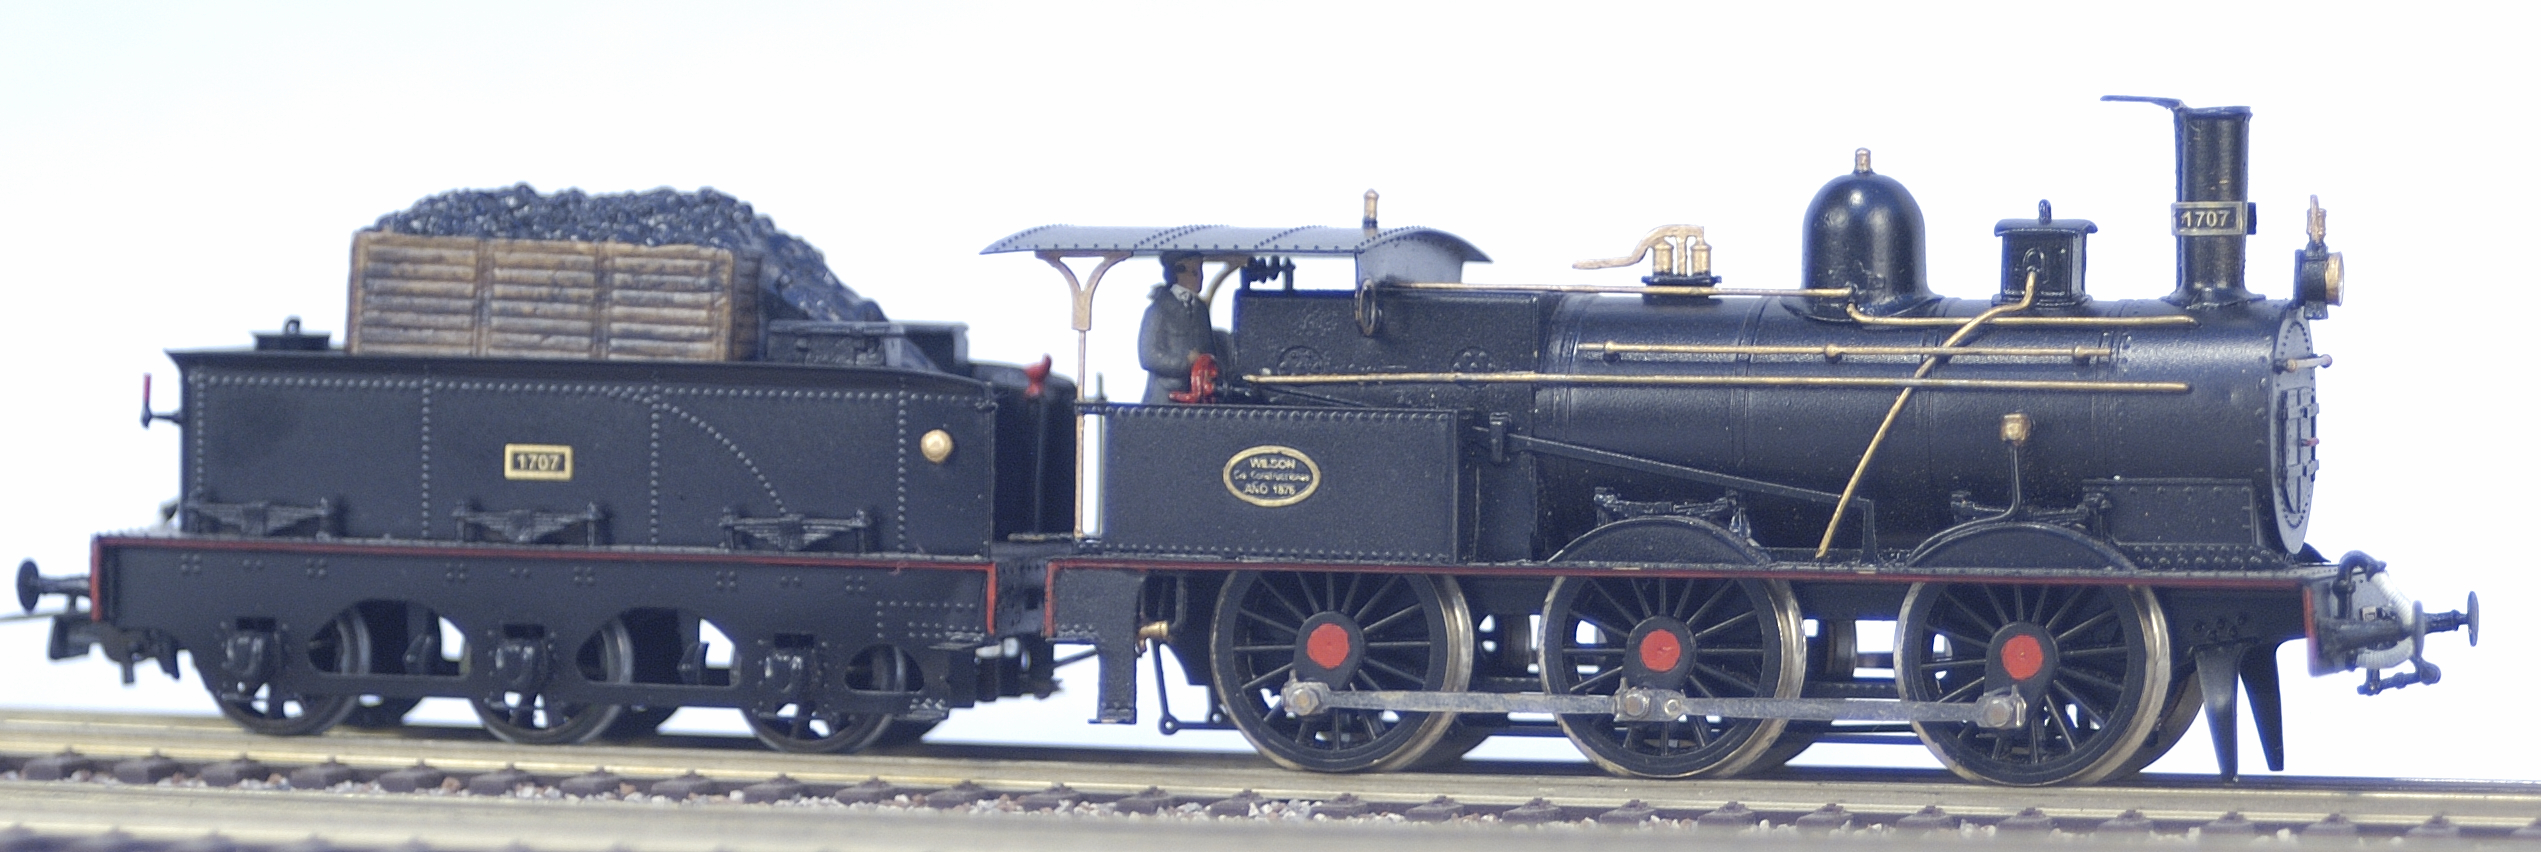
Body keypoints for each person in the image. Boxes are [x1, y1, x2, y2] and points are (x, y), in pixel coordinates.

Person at [1138, 251, 1224, 404]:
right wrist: (1186, 362)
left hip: (1198, 395)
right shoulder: (1158, 310)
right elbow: (1148, 357)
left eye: (1200, 270)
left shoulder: (1200, 310)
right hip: (1165, 396)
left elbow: (1210, 349)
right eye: (1194, 272)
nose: (1200, 277)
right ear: (1177, 272)